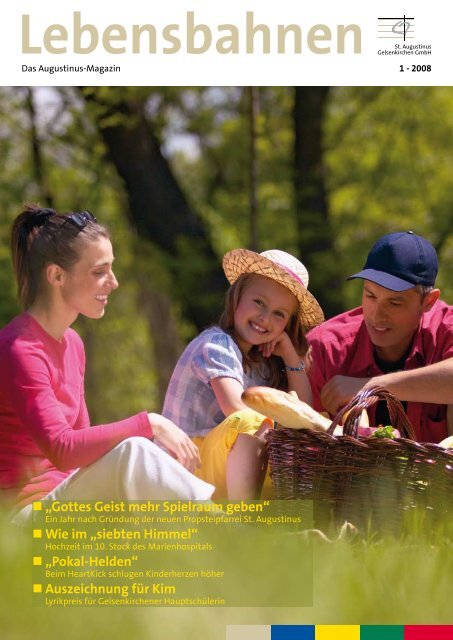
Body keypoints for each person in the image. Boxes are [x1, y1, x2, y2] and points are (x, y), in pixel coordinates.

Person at [0, 204, 214, 518]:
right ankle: (246, 542)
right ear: (57, 275)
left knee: (139, 459)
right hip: (21, 519)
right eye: (99, 271)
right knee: (134, 450)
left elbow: (84, 448)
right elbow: (63, 449)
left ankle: (229, 541)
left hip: (68, 496)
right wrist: (149, 423)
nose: (113, 282)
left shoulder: (72, 343)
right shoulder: (19, 348)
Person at [163, 248, 324, 499]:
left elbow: (302, 413)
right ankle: (243, 520)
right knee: (249, 422)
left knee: (303, 433)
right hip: (186, 462)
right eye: (259, 302)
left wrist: (291, 356)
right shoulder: (217, 343)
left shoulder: (265, 363)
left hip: (223, 464)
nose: (265, 318)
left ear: (287, 324)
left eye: (279, 314)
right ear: (237, 297)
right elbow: (236, 407)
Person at [307, 231, 453, 443]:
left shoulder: (446, 328)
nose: (377, 315)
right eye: (370, 295)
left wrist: (368, 386)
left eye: (394, 303)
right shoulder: (325, 347)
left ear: (428, 302)